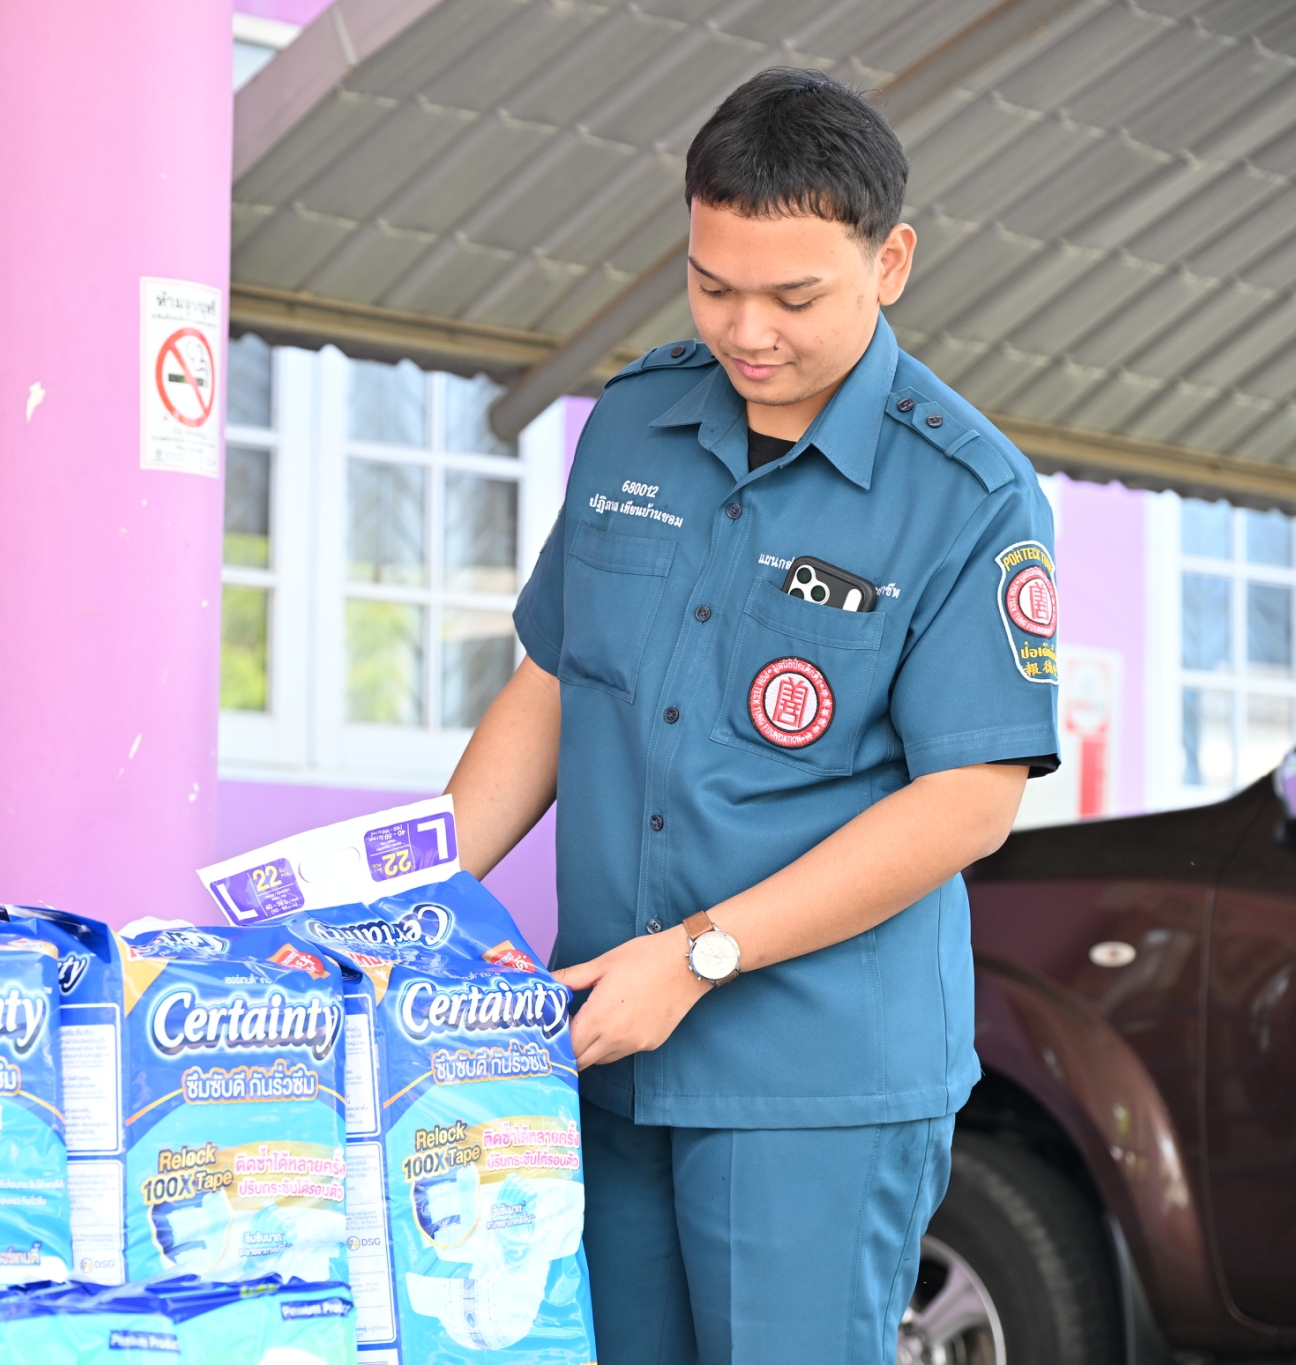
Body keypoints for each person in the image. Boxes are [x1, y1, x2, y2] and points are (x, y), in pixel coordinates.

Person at [445, 68, 1060, 1364]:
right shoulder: (633, 424)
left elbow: (969, 802)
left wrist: (699, 957)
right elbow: (555, 684)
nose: (747, 331)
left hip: (812, 1083)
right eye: (711, 285)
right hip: (604, 1041)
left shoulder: (969, 495)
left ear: (890, 262)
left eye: (793, 297)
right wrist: (405, 900)